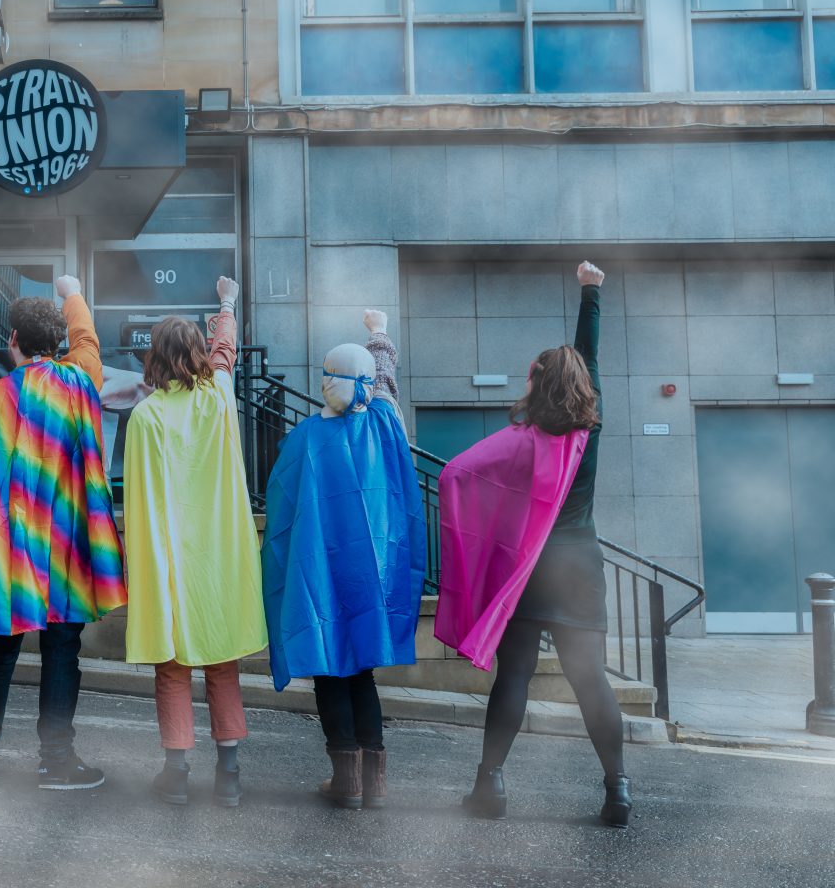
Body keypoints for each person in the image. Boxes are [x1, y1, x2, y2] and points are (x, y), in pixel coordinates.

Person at [435, 261, 630, 828]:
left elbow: (454, 475)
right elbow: (588, 360)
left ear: (536, 385)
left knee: (514, 674)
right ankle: (617, 790)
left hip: (531, 568)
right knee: (591, 679)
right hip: (581, 566)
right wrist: (590, 293)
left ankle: (489, 785)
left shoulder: (521, 442)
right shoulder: (588, 433)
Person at [0, 275, 126, 790]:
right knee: (63, 648)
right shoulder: (80, 381)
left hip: (6, 548)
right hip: (65, 545)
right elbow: (86, 341)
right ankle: (57, 761)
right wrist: (72, 293)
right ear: (57, 343)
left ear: (12, 340)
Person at [260, 309, 425, 810]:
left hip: (321, 571)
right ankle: (373, 781)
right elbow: (386, 384)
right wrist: (379, 334)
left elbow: (284, 511)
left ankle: (347, 778)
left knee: (330, 667)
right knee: (362, 671)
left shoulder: (306, 438)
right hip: (373, 571)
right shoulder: (386, 424)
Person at [122, 278, 266, 808]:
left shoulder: (145, 417)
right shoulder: (220, 401)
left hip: (171, 559)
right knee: (222, 662)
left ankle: (177, 773)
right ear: (199, 356)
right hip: (220, 557)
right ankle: (228, 775)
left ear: (154, 358)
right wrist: (226, 303)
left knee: (174, 667)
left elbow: (138, 500)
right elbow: (225, 354)